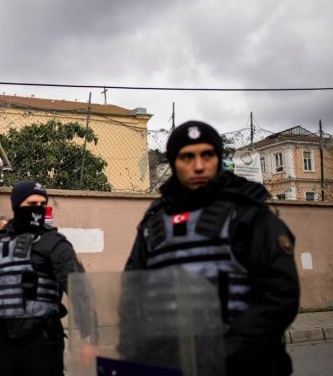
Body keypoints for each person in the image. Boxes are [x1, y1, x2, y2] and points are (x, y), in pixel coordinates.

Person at [125, 120, 300, 376]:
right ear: (174, 162)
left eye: (207, 154)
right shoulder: (154, 223)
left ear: (217, 158)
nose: (198, 165)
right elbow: (133, 294)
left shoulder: (248, 214)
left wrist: (224, 353)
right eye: (187, 157)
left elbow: (279, 296)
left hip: (244, 365)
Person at [0, 181, 85, 376]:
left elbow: (80, 290)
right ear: (16, 205)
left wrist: (90, 338)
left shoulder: (55, 243)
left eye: (42, 203)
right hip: (4, 345)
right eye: (31, 204)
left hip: (43, 345)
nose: (37, 209)